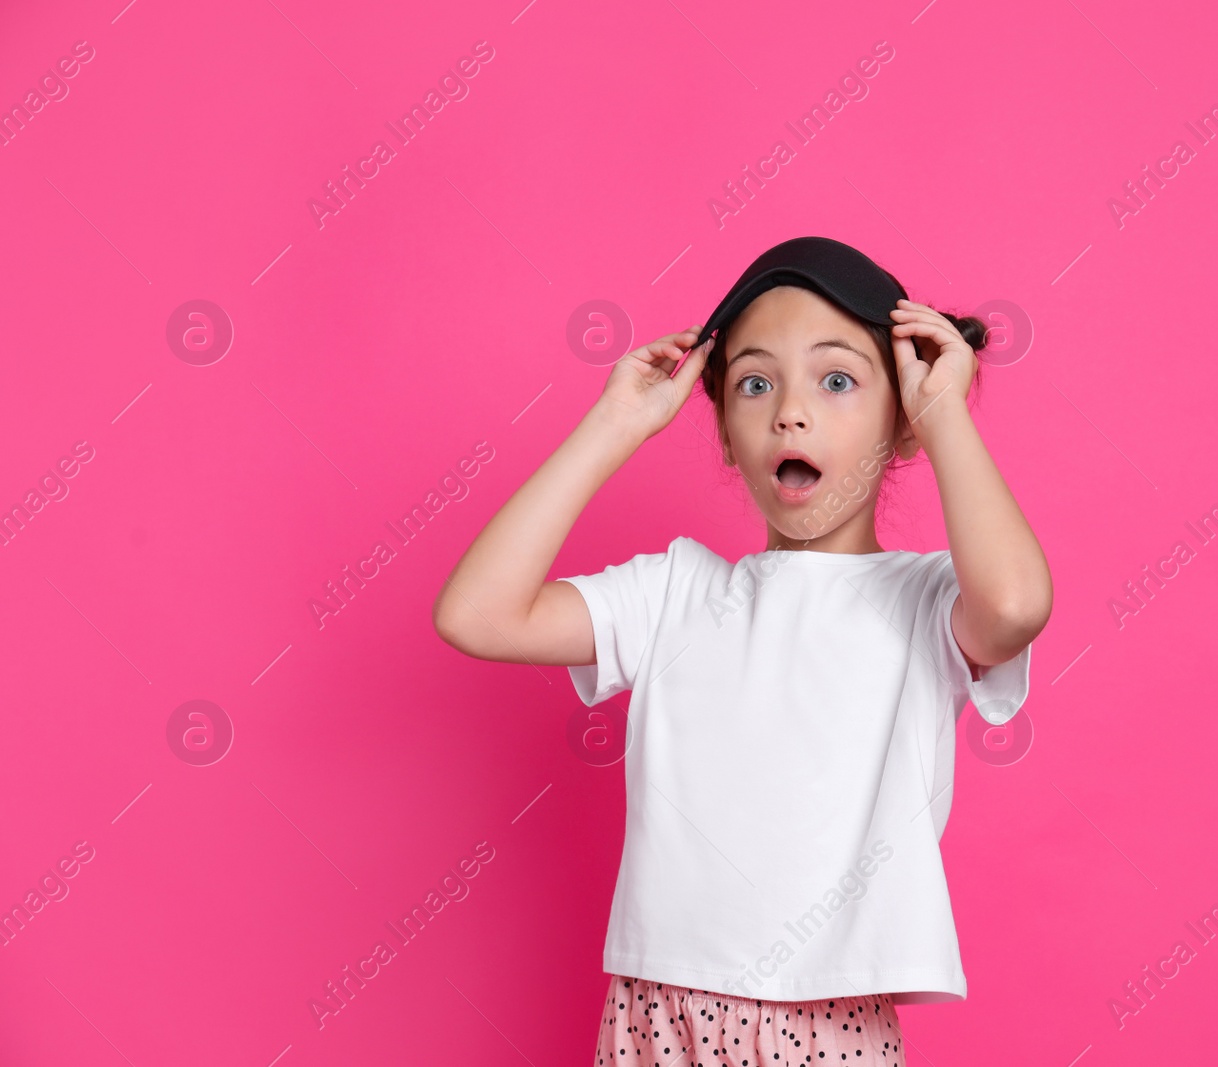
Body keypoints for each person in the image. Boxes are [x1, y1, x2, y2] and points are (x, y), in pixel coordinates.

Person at [432, 236, 1052, 1065]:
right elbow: (477, 614)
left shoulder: (928, 599)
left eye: (837, 380)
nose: (790, 410)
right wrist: (614, 424)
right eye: (756, 384)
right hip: (659, 1011)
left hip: (826, 1020)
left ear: (900, 421)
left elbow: (1014, 606)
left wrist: (941, 417)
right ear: (725, 431)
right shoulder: (673, 594)